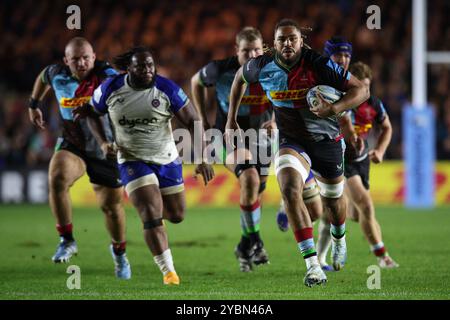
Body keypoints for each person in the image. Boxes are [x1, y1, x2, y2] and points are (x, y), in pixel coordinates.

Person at [225, 19, 369, 287]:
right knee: (289, 189)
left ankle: (339, 237)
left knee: (333, 202)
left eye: (293, 38)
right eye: (282, 39)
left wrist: (333, 109)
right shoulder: (262, 65)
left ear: (301, 41)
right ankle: (313, 265)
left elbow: (362, 89)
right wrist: (230, 119)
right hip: (292, 141)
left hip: (326, 140)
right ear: (275, 42)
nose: (287, 43)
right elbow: (238, 79)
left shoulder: (321, 65)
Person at [74, 46, 214, 285]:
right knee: (150, 214)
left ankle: (154, 224)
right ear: (129, 68)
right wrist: (104, 142)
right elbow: (92, 112)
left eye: (150, 65)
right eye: (140, 66)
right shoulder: (111, 88)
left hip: (167, 158)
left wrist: (203, 157)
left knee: (177, 215)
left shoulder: (167, 88)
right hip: (131, 159)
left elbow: (194, 120)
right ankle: (169, 272)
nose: (147, 70)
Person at [28, 37, 131, 279]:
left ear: (94, 57)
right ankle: (67, 239)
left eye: (86, 57)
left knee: (111, 208)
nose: (82, 62)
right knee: (57, 177)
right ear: (66, 61)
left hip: (105, 147)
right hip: (73, 142)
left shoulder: (107, 75)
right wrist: (34, 104)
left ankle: (119, 254)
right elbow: (43, 77)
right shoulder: (56, 73)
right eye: (75, 59)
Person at [319, 60, 399, 269]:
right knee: (366, 206)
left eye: (367, 87)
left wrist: (380, 150)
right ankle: (383, 256)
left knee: (356, 214)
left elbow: (387, 128)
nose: (364, 91)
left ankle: (335, 206)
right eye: (360, 86)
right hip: (344, 160)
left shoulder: (374, 104)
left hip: (363, 161)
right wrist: (351, 138)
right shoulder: (340, 102)